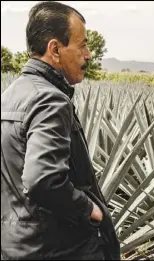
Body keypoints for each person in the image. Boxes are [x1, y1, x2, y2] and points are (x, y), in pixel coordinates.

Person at [1, 1, 120, 260]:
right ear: (55, 49)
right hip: (60, 248)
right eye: (82, 45)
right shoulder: (49, 100)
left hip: (17, 246)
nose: (88, 54)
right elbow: (42, 179)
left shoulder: (9, 97)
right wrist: (89, 208)